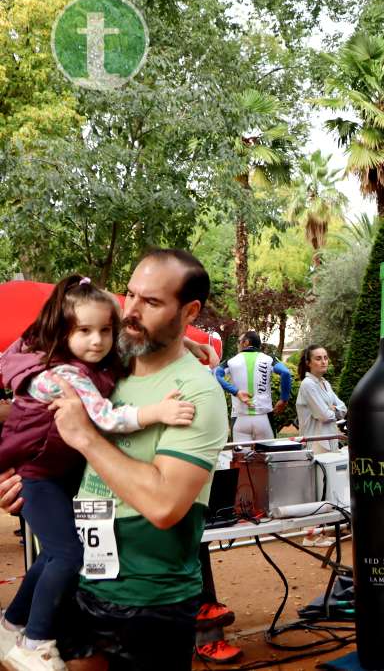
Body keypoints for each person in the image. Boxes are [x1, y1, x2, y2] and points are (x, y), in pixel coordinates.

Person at [0, 250, 229, 670]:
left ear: (189, 311)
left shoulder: (196, 393)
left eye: (153, 302)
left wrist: (86, 438)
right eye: (130, 295)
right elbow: (36, 415)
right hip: (82, 581)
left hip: (147, 598)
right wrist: (27, 478)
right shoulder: (106, 369)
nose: (132, 311)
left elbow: (164, 505)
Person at [214, 331, 293, 443]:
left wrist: (235, 391)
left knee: (241, 459)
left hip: (240, 417)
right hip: (264, 417)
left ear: (246, 342)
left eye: (239, 342)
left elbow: (216, 375)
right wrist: (284, 400)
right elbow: (285, 372)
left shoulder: (231, 361)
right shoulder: (269, 359)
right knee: (267, 458)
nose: (238, 345)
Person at [295, 345, 346, 454]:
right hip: (315, 445)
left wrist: (332, 409)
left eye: (325, 358)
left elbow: (344, 408)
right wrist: (333, 411)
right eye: (318, 358)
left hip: (331, 441)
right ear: (308, 363)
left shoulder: (326, 384)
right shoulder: (308, 384)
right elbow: (324, 416)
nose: (323, 362)